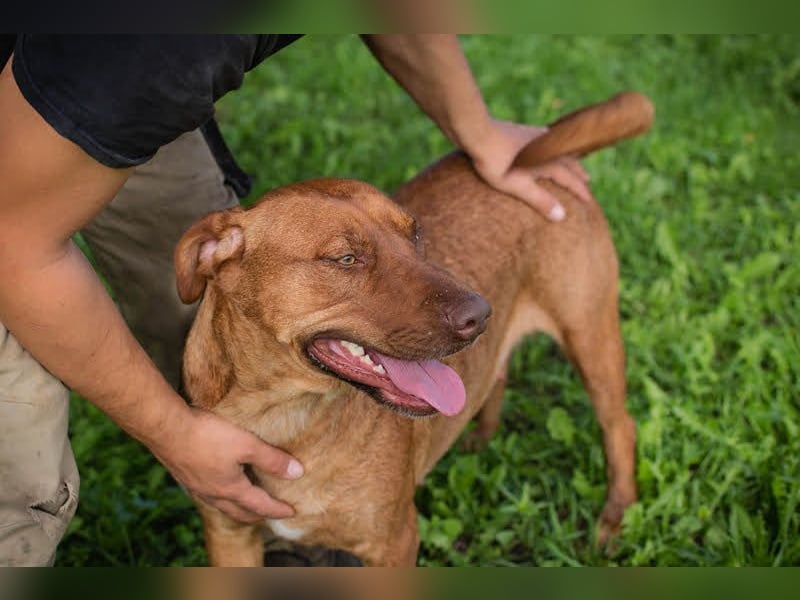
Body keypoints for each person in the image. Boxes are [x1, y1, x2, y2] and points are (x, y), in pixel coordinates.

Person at [0, 34, 591, 566]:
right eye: (345, 258)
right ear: (212, 260)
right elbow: (14, 246)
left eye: (406, 237)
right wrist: (173, 433)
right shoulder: (151, 42)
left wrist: (479, 130)